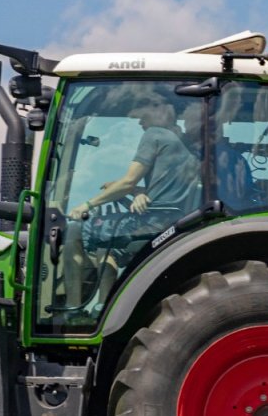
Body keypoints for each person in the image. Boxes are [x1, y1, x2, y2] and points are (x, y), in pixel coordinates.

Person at [63, 98, 200, 311]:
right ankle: (101, 304)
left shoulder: (155, 134)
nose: (139, 123)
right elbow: (165, 185)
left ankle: (72, 307)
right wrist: (140, 192)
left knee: (75, 229)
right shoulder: (184, 144)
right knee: (105, 238)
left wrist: (86, 205)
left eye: (142, 117)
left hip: (152, 221)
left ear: (161, 108)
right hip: (168, 217)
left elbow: (128, 181)